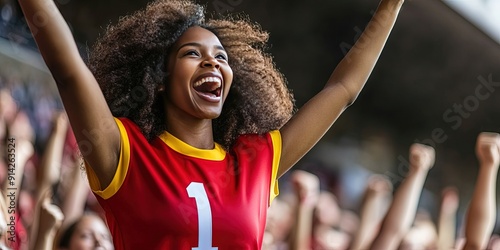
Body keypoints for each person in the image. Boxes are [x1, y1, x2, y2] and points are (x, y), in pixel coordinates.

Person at [17, 0, 405, 248]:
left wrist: (391, 5)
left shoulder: (257, 161)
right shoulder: (125, 154)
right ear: (159, 76)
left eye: (220, 56)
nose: (213, 63)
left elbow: (343, 87)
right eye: (192, 53)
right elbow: (68, 70)